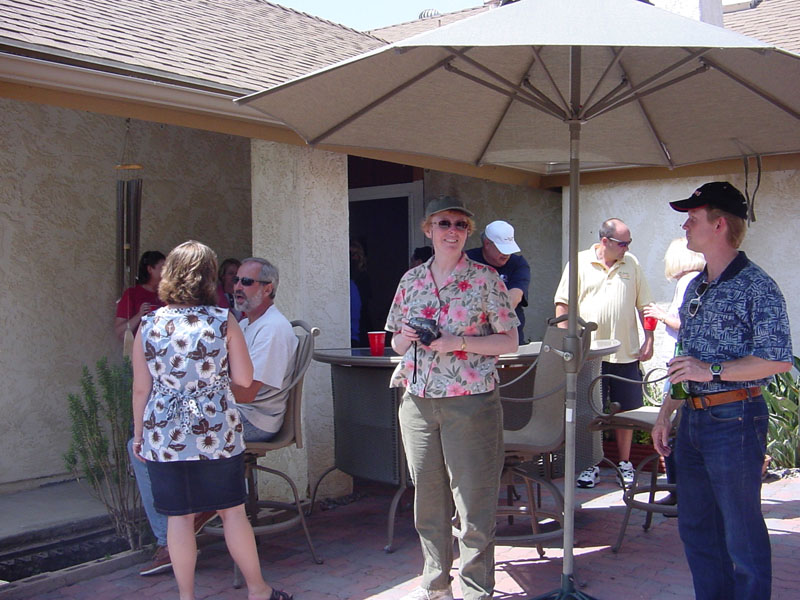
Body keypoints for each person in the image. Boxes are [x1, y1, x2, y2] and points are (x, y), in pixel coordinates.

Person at [652, 182, 792, 600]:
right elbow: (685, 357)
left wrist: (711, 370)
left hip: (736, 419)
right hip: (693, 419)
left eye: (692, 218)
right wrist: (666, 412)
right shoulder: (696, 285)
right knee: (696, 527)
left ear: (719, 225)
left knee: (741, 530)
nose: (685, 226)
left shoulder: (757, 285)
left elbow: (777, 359)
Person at [131, 241, 292, 600]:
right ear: (209, 278)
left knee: (178, 518)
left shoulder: (149, 324)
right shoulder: (222, 320)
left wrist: (140, 435)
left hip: (165, 434)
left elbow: (141, 389)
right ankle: (258, 590)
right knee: (232, 512)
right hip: (216, 430)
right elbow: (245, 379)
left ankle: (186, 596)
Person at [385, 196, 519, 600]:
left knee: (473, 503)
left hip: (470, 402)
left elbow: (509, 341)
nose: (452, 231)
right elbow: (395, 344)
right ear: (429, 229)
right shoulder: (411, 280)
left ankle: (477, 591)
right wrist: (406, 336)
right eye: (444, 223)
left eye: (461, 225)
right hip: (417, 401)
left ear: (468, 232)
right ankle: (436, 585)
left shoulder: (486, 279)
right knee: (428, 502)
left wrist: (456, 341)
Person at [554, 218, 654, 488]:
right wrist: (567, 342)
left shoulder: (631, 263)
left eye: (629, 243)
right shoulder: (579, 262)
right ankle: (590, 465)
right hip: (590, 356)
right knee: (590, 413)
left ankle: (625, 463)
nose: (627, 248)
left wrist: (650, 338)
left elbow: (645, 305)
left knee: (626, 413)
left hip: (625, 353)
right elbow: (563, 305)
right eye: (622, 243)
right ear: (605, 241)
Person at [643, 237, 705, 508]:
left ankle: (676, 490)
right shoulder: (698, 280)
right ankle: (681, 491)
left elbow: (687, 326)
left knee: (670, 427)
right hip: (684, 365)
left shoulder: (688, 281)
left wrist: (660, 314)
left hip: (681, 366)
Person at [229, 258, 298, 442]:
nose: (238, 287)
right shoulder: (245, 324)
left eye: (246, 282)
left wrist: (201, 389)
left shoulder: (272, 328)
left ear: (267, 289)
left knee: (173, 425)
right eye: (236, 280)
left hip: (253, 420)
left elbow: (245, 393)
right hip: (238, 410)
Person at [466, 220, 531, 344]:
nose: (506, 254)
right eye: (502, 249)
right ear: (487, 244)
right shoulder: (467, 260)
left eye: (509, 249)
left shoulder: (518, 263)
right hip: (473, 339)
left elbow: (515, 296)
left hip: (508, 338)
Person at [115, 250, 166, 340]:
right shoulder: (132, 294)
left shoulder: (167, 294)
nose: (166, 272)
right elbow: (120, 333)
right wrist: (139, 315)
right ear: (150, 269)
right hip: (140, 345)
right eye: (162, 268)